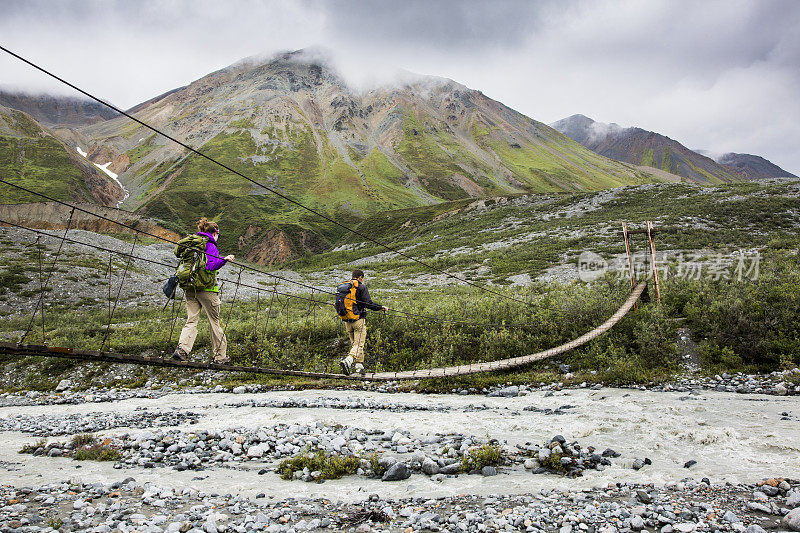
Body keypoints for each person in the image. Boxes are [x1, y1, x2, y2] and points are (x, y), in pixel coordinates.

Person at [173, 217, 235, 363]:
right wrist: (225, 259)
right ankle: (220, 357)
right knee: (214, 323)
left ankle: (182, 350)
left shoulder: (193, 244)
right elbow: (210, 265)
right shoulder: (210, 245)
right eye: (218, 235)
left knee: (191, 320)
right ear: (214, 233)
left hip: (190, 288)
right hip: (207, 290)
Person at [339, 269, 388, 375]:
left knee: (354, 344)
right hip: (358, 320)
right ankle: (348, 360)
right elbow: (368, 304)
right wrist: (381, 307)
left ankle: (359, 367)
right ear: (360, 277)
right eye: (362, 277)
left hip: (347, 320)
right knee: (359, 345)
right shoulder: (361, 287)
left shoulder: (345, 287)